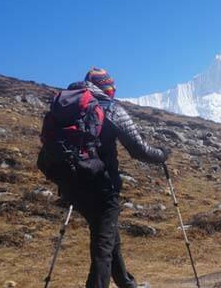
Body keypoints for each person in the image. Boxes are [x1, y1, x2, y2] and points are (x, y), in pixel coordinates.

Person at [68, 68, 169, 288]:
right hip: (103, 187)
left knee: (108, 235)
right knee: (103, 246)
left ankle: (126, 283)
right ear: (107, 88)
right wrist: (162, 155)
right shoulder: (111, 109)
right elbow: (139, 150)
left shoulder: (73, 107)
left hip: (73, 184)